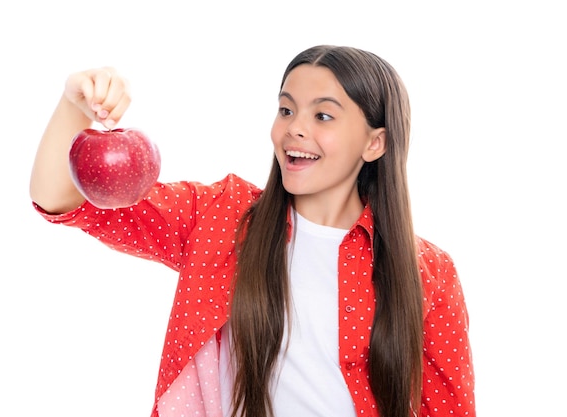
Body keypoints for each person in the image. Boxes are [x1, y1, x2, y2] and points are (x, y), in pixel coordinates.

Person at [30, 45, 476, 417]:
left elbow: (451, 409)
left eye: (323, 116)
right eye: (286, 109)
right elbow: (61, 200)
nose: (294, 129)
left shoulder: (427, 271)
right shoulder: (221, 217)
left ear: (374, 143)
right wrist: (74, 105)